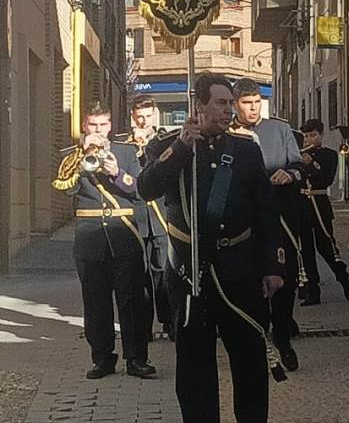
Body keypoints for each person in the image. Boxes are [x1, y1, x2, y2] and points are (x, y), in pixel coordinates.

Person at [138, 73, 285, 423]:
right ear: (199, 106)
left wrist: (272, 266)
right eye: (220, 103)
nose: (228, 110)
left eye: (229, 103)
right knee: (194, 368)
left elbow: (266, 212)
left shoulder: (246, 149)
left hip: (239, 268)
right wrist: (182, 148)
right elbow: (147, 188)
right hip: (190, 273)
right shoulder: (169, 147)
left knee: (249, 361)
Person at [51, 101, 155, 380]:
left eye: (103, 125)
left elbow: (140, 190)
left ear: (110, 126)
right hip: (90, 235)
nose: (98, 130)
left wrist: (116, 173)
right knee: (95, 301)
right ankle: (102, 358)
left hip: (124, 232)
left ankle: (136, 359)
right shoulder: (73, 155)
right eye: (93, 125)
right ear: (84, 126)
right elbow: (66, 188)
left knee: (132, 299)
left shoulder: (127, 152)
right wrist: (81, 161)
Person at [229, 78, 305, 370]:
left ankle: (284, 340)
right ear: (236, 104)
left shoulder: (280, 129)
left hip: (280, 218)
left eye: (257, 102)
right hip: (246, 222)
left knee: (283, 284)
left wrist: (289, 174)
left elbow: (299, 166)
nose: (253, 108)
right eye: (247, 103)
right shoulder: (230, 134)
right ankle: (259, 343)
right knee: (252, 286)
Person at [123, 95, 173, 341]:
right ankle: (143, 327)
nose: (143, 122)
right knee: (140, 277)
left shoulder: (166, 141)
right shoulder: (124, 145)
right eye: (138, 117)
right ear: (133, 116)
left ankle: (170, 322)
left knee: (163, 272)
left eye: (147, 116)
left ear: (156, 113)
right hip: (137, 220)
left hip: (161, 217)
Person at [296, 118, 349, 305]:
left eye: (313, 135)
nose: (309, 139)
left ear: (321, 135)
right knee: (305, 251)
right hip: (302, 206)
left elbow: (326, 179)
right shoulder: (296, 154)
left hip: (319, 203)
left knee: (327, 247)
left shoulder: (328, 155)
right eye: (306, 136)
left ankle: (344, 280)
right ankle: (312, 291)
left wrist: (311, 164)